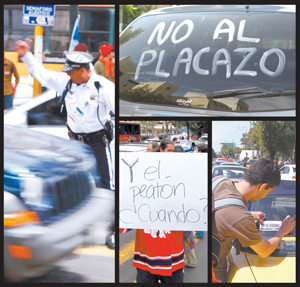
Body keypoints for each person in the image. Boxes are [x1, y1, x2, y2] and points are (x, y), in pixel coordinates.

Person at [14, 38, 115, 190]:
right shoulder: (67, 82)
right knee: (73, 185)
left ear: (82, 70)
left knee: (104, 184)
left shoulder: (103, 87)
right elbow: (41, 74)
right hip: (74, 142)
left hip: (97, 143)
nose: (67, 74)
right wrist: (26, 55)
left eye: (70, 72)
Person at [212, 158, 295, 282]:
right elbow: (264, 251)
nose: (266, 195)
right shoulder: (239, 216)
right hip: (215, 274)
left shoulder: (218, 181)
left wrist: (248, 214)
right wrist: (282, 231)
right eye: (269, 191)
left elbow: (222, 211)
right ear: (263, 186)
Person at [120, 138, 184, 283]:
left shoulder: (182, 189)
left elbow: (194, 219)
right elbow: (123, 225)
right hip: (145, 259)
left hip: (173, 259)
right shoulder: (138, 189)